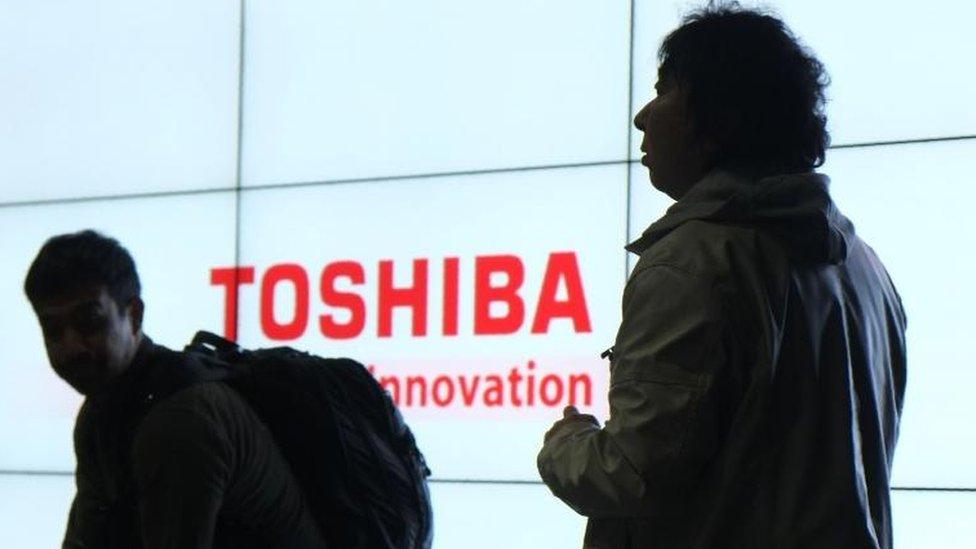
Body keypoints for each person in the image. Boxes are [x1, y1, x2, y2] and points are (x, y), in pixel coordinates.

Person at [538, 4, 907, 548]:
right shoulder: (867, 269)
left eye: (664, 91)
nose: (642, 116)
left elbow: (633, 474)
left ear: (720, 119)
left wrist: (566, 440)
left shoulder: (695, 262)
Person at [25, 230, 326, 548]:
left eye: (89, 323)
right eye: (53, 330)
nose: (70, 346)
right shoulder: (103, 409)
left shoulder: (179, 418)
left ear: (134, 315)